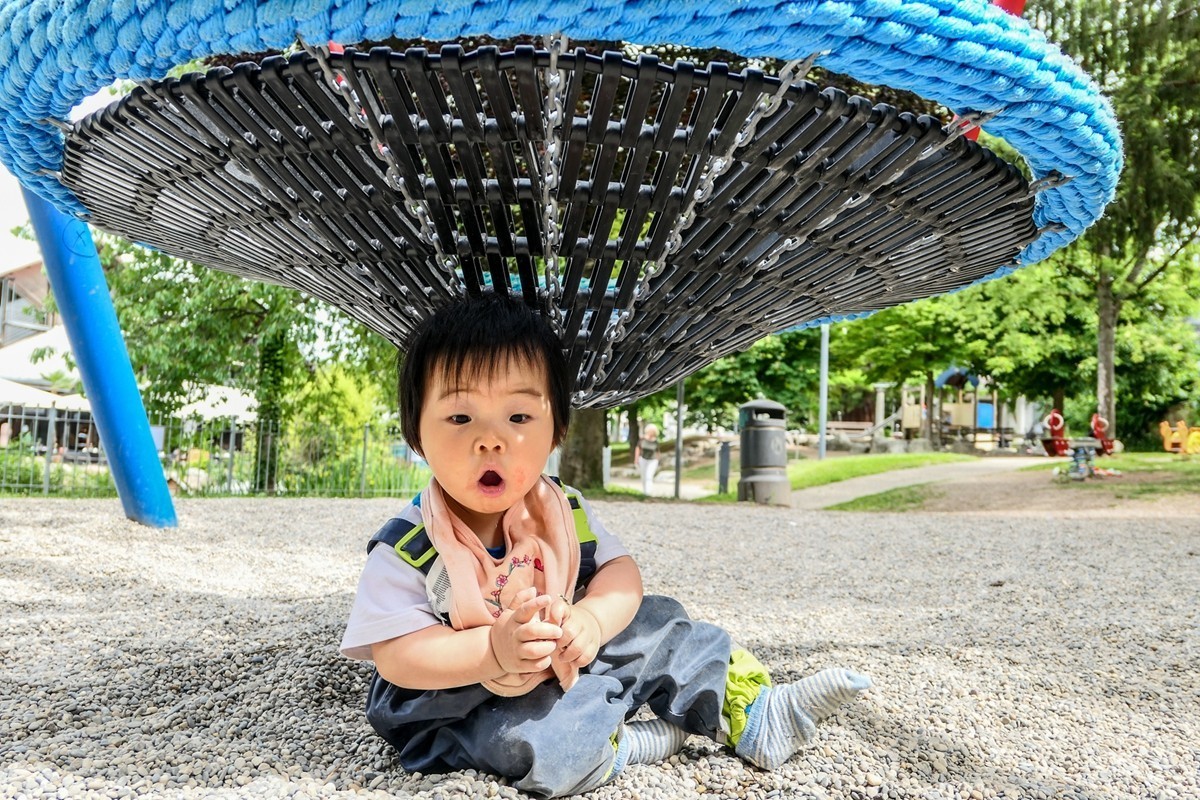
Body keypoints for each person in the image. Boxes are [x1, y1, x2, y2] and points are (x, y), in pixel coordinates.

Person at [340, 291, 870, 798]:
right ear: (415, 433)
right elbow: (398, 657)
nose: (491, 439)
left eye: (519, 417)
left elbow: (621, 574)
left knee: (658, 622)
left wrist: (591, 620)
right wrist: (490, 651)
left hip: (566, 651)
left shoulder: (560, 511)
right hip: (462, 693)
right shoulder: (409, 543)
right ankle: (621, 745)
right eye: (460, 417)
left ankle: (752, 714)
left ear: (557, 431)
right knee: (517, 743)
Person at [633, 422, 659, 495]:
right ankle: (645, 491)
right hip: (643, 459)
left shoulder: (656, 441)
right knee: (644, 476)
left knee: (649, 475)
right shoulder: (642, 439)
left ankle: (648, 492)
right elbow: (638, 448)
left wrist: (658, 460)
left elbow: (657, 451)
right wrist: (636, 459)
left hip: (652, 460)